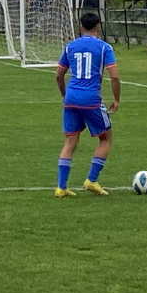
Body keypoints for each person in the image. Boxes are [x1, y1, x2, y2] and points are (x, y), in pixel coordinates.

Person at [54, 12, 120, 197]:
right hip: (90, 99)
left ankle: (61, 187)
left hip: (71, 98)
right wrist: (116, 99)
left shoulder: (70, 47)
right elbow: (114, 76)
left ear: (81, 27)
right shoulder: (104, 47)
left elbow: (59, 75)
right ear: (98, 26)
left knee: (70, 141)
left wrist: (65, 96)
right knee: (105, 138)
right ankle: (91, 180)